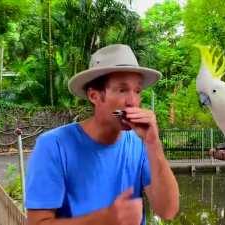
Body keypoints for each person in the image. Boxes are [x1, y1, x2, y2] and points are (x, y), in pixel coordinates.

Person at [25, 44, 179, 225]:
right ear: (94, 96)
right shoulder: (53, 145)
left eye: (137, 91)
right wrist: (104, 219)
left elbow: (168, 211)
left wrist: (153, 143)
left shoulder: (140, 144)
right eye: (122, 90)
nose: (133, 102)